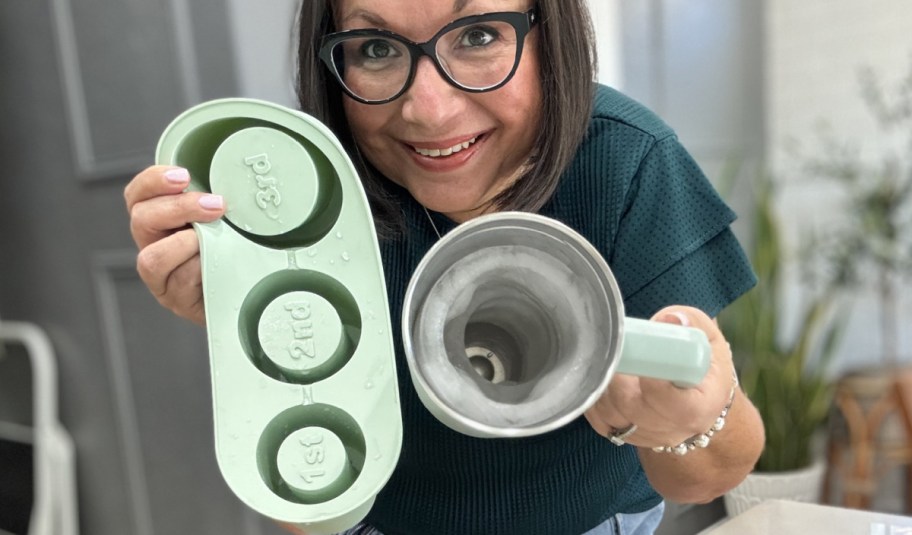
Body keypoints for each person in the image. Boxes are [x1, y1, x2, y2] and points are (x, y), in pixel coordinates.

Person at [123, 1, 765, 534]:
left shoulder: (628, 162)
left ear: (552, 34)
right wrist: (252, 345)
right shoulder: (305, 203)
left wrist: (686, 423)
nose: (428, 110)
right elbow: (309, 513)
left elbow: (710, 475)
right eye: (375, 48)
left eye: (479, 35)